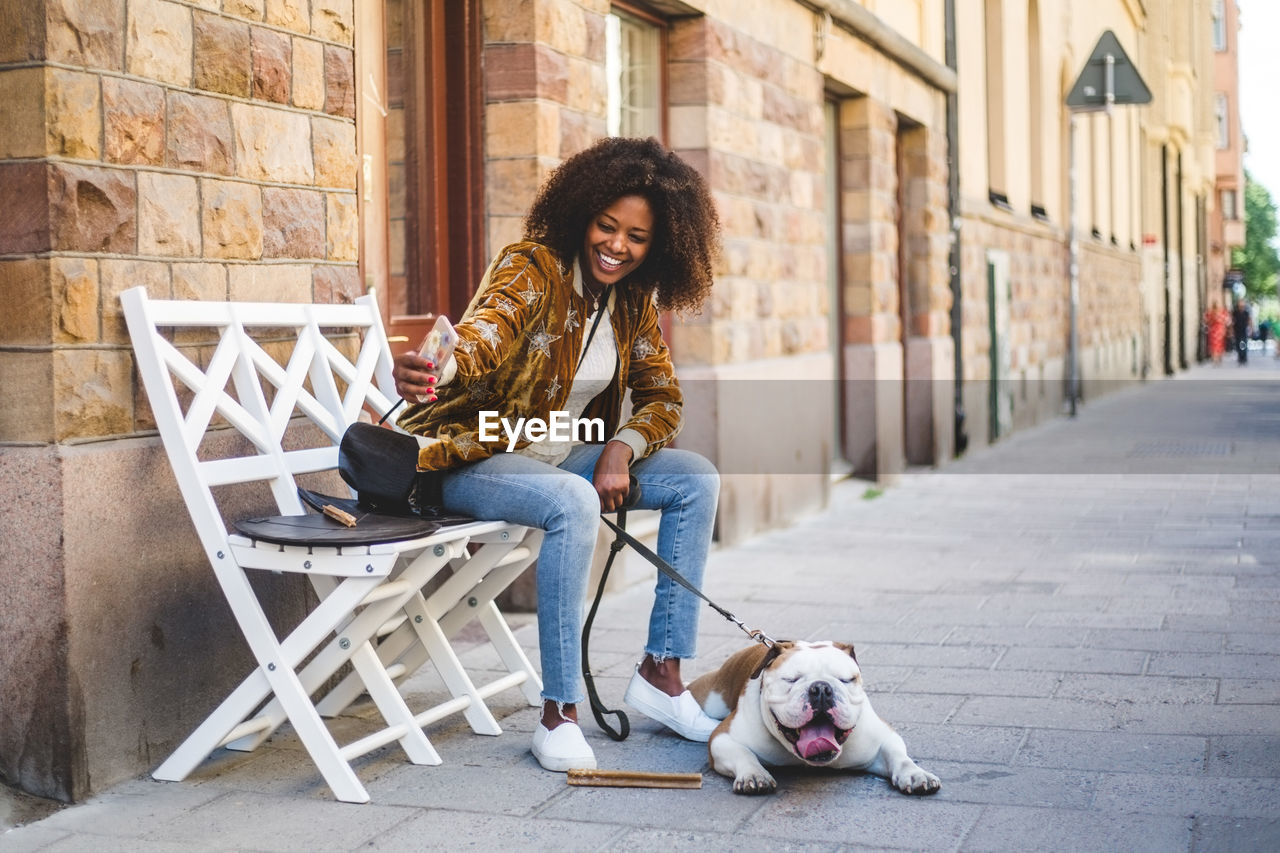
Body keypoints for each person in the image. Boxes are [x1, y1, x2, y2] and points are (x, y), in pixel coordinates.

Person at [391, 137, 722, 772]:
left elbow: (663, 399)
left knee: (695, 479)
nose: (617, 246)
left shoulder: (632, 302)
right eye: (606, 226)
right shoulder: (531, 268)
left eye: (637, 237)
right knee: (572, 500)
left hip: (563, 454)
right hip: (469, 455)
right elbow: (484, 337)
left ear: (661, 245)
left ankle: (661, 673)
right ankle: (558, 713)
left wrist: (621, 446)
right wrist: (440, 364)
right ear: (582, 215)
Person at [1205, 299, 1229, 365]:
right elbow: (1207, 320)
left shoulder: (1222, 312)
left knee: (1219, 344)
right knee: (1214, 345)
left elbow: (1226, 320)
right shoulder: (1211, 312)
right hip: (1214, 330)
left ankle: (1218, 357)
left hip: (1219, 330)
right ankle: (1215, 357)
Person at [1232, 297, 1252, 365]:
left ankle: (1244, 358)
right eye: (1240, 304)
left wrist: (1251, 329)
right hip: (1237, 330)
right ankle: (1240, 357)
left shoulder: (1246, 313)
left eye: (1242, 304)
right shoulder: (1235, 312)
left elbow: (1249, 321)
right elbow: (1233, 321)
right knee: (1238, 344)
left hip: (1244, 330)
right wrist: (1231, 330)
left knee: (1243, 344)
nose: (1241, 306)